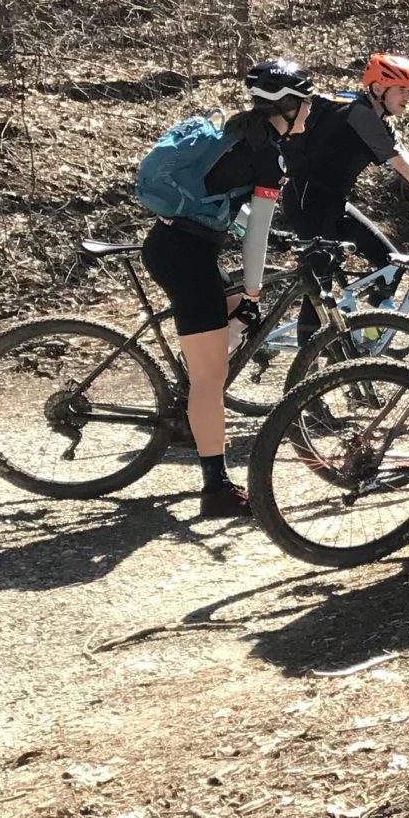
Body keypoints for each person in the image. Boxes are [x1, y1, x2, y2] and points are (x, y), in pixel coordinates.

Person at [135, 58, 317, 518]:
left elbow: (220, 202)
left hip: (181, 246)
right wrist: (254, 296)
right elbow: (255, 234)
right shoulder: (267, 155)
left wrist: (254, 253)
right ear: (290, 107)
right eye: (308, 103)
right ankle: (215, 488)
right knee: (210, 379)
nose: (311, 111)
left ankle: (199, 412)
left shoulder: (239, 134)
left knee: (229, 323)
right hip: (185, 258)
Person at [281, 51, 409, 270]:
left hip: (333, 202)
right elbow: (403, 166)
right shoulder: (360, 115)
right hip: (308, 205)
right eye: (402, 90)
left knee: (389, 266)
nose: (408, 97)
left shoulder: (377, 117)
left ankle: (374, 302)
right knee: (320, 285)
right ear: (379, 89)